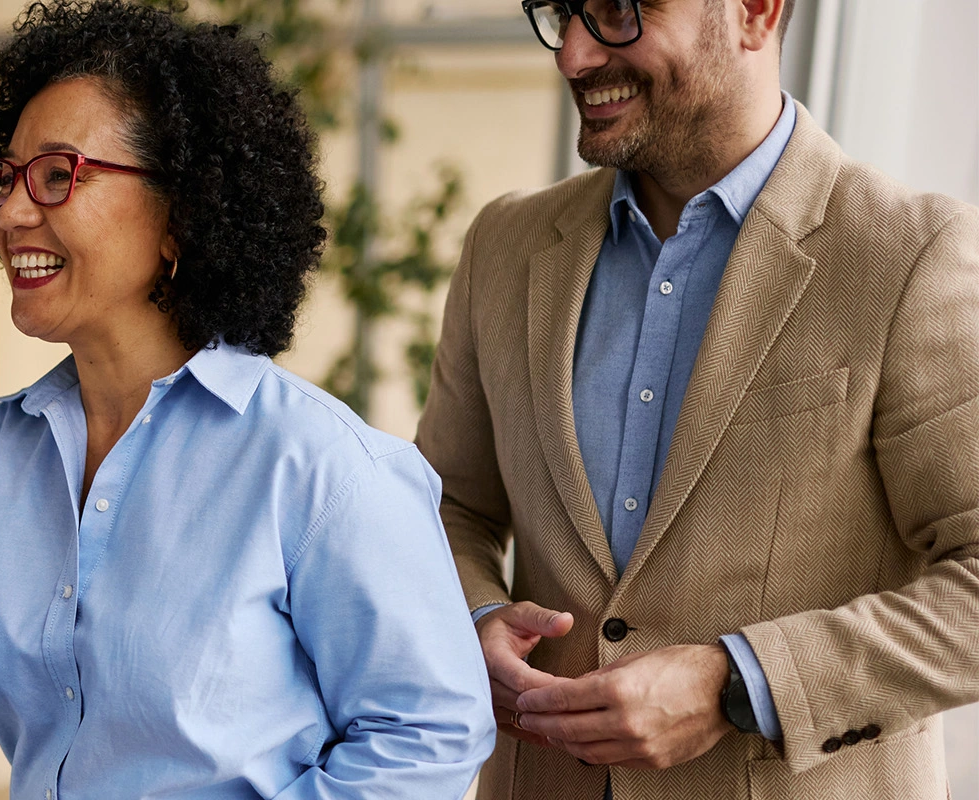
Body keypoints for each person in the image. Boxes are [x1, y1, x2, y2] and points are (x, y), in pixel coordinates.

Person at [0, 2, 496, 797]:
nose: (10, 214)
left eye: (58, 175)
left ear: (181, 212)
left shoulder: (326, 470)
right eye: (5, 178)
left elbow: (426, 731)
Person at [416, 0, 979, 797]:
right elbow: (447, 506)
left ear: (755, 12)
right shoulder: (504, 246)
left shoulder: (911, 255)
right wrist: (474, 617)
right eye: (561, 12)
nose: (573, 55)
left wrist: (738, 682)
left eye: (617, 10)